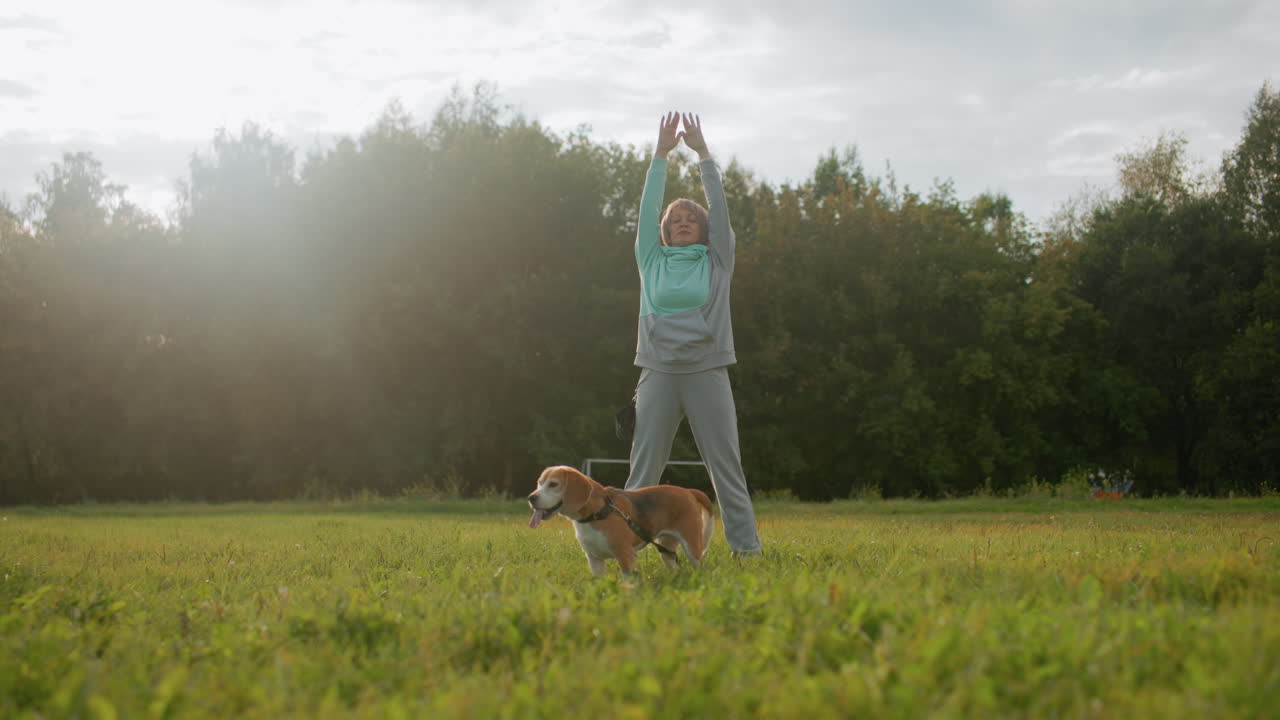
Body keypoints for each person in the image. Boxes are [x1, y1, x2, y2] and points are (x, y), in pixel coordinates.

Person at [624, 112, 762, 556]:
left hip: (707, 372)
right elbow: (646, 212)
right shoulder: (652, 259)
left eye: (691, 218)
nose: (682, 221)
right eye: (675, 219)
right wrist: (660, 155)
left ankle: (747, 553)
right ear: (664, 232)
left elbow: (719, 210)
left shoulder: (718, 260)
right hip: (658, 373)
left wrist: (703, 154)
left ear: (703, 230)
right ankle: (624, 549)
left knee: (727, 470)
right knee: (642, 474)